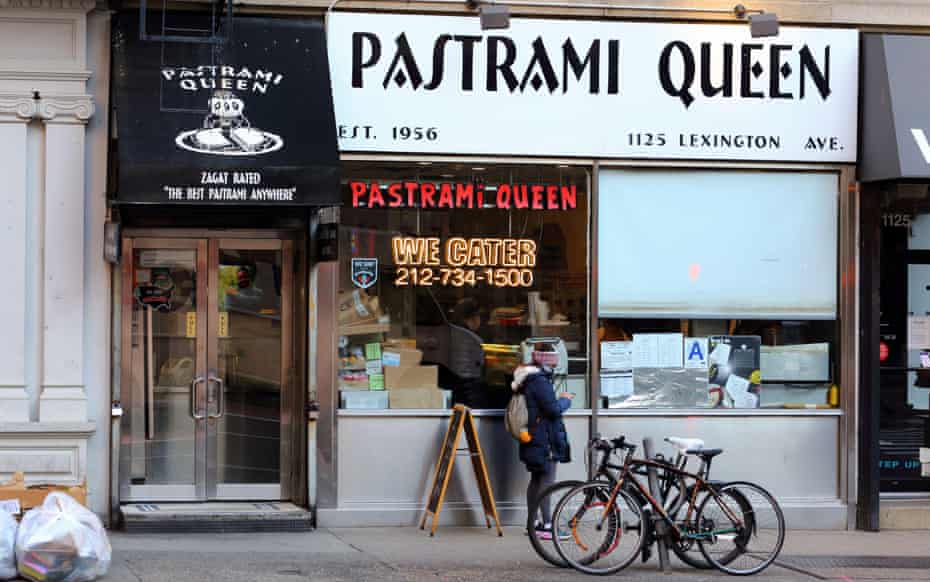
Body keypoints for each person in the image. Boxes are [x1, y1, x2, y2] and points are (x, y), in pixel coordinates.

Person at [512, 358, 573, 540]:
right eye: (554, 363)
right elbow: (553, 410)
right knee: (547, 481)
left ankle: (533, 524)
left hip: (533, 438)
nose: (555, 366)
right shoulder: (539, 381)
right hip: (545, 439)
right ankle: (547, 526)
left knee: (536, 480)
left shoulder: (526, 379)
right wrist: (565, 400)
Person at [448, 298, 486, 407]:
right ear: (472, 318)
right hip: (469, 389)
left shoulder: (449, 333)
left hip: (453, 386)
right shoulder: (474, 339)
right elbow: (479, 366)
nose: (480, 320)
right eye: (479, 316)